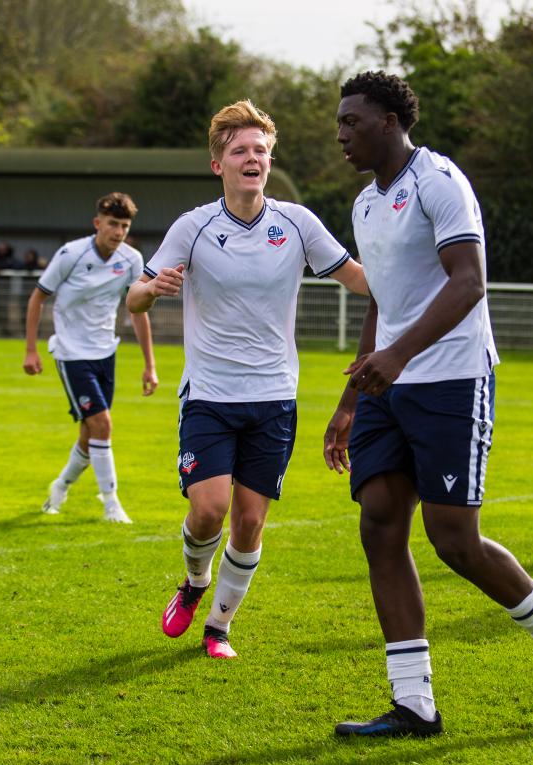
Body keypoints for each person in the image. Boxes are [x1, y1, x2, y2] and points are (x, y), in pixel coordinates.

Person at [324, 71, 533, 738]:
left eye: (353, 121)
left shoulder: (440, 181)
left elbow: (470, 282)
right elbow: (382, 300)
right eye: (339, 122)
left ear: (391, 122)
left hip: (452, 378)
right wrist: (351, 398)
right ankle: (414, 704)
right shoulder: (365, 204)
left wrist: (399, 358)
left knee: (453, 538)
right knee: (379, 520)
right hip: (388, 387)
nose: (342, 133)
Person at [126, 100, 369, 660]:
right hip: (209, 394)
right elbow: (135, 297)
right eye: (240, 150)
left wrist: (405, 274)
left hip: (275, 397)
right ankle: (193, 583)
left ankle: (218, 629)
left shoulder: (297, 223)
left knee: (250, 521)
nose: (252, 158)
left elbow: (356, 278)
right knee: (209, 508)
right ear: (219, 164)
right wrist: (153, 287)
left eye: (260, 149)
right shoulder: (195, 226)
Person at [23, 192, 158, 524]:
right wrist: (31, 349)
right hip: (71, 353)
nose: (118, 231)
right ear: (98, 223)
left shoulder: (131, 260)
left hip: (105, 352)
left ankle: (60, 487)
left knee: (90, 431)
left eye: (124, 226)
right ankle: (111, 502)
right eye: (112, 224)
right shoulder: (71, 254)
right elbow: (38, 298)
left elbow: (138, 310)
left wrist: (150, 364)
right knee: (103, 424)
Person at [20, 249, 46, 325]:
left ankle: (37, 332)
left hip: (37, 293)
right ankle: (25, 332)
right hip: (25, 293)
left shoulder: (39, 266)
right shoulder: (23, 265)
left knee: (37, 313)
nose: (28, 258)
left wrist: (44, 265)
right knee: (24, 313)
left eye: (30, 256)